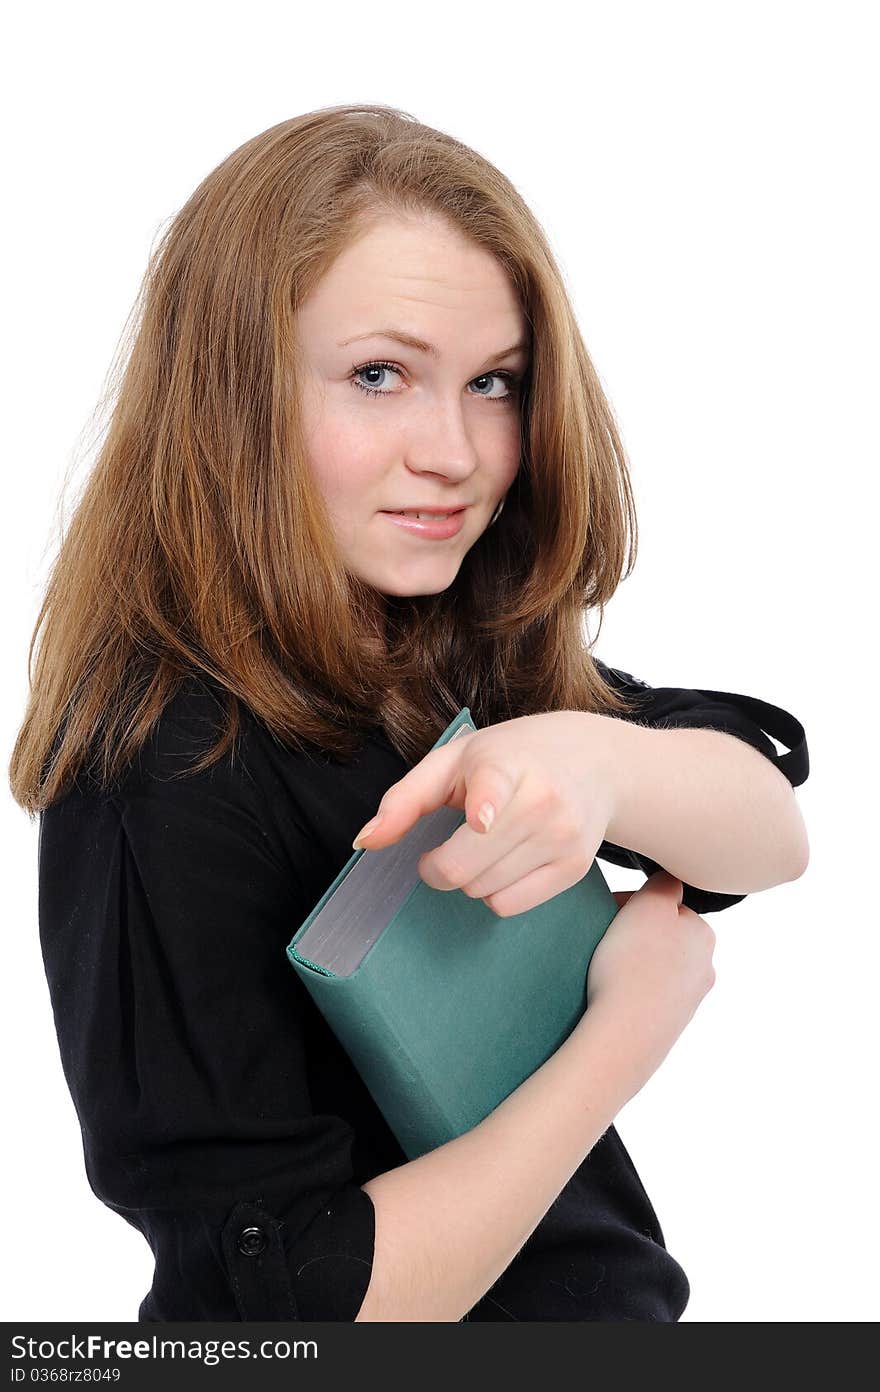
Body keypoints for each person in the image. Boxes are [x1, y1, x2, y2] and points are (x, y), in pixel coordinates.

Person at [10, 103, 810, 1323]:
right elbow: (290, 1317)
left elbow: (768, 823)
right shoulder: (158, 768)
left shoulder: (443, 653)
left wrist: (590, 760)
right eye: (378, 375)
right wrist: (619, 1038)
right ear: (234, 396)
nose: (453, 450)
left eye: (494, 382)